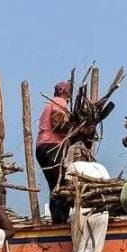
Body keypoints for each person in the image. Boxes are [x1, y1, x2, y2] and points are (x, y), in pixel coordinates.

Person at [64, 145, 110, 252]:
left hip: (82, 211)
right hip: (102, 213)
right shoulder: (101, 168)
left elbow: (69, 191)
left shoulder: (73, 167)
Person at [34, 81, 73, 224]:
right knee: (62, 184)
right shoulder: (59, 102)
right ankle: (60, 220)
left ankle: (57, 219)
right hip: (52, 146)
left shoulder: (50, 103)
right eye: (69, 90)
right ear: (63, 91)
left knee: (54, 186)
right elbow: (58, 123)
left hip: (42, 147)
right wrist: (75, 126)